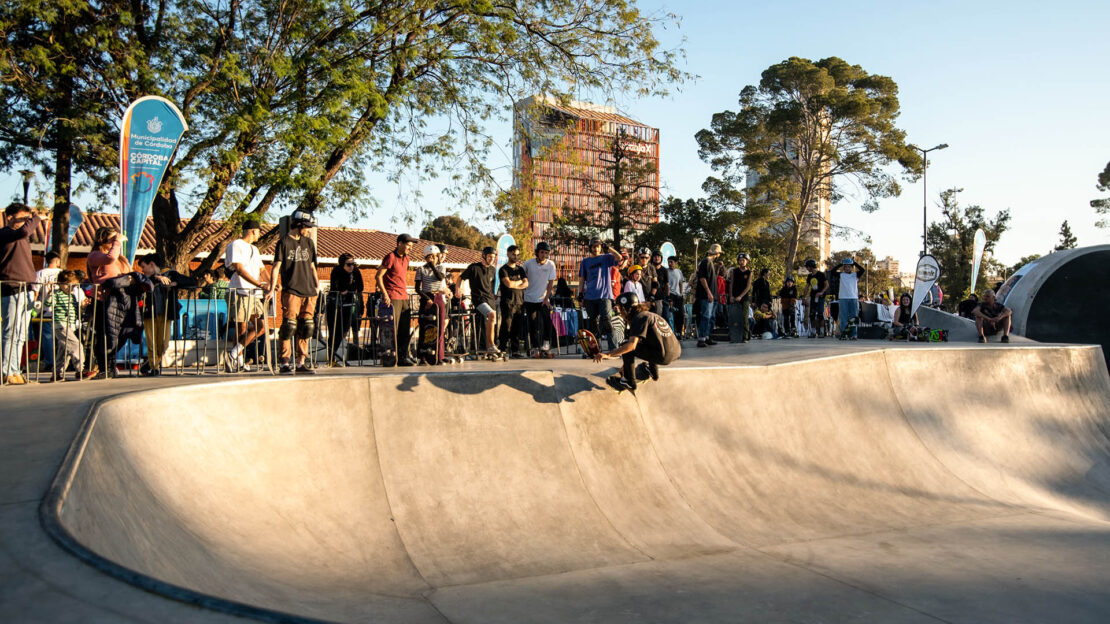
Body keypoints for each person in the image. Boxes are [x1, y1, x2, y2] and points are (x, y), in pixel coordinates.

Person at [591, 291, 681, 393]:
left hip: (663, 355)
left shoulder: (638, 318)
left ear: (626, 308)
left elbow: (631, 346)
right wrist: (626, 366)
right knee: (647, 340)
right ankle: (652, 371)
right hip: (675, 351)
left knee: (626, 345)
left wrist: (607, 355)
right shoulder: (649, 315)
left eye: (620, 309)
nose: (620, 313)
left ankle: (629, 381)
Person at [269, 210, 320, 374]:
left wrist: (317, 286)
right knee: (289, 326)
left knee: (306, 327)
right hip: (291, 289)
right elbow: (276, 266)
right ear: (299, 225)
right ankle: (284, 362)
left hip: (309, 290)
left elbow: (312, 266)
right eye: (307, 227)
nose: (309, 230)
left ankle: (300, 362)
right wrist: (272, 287)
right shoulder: (283, 242)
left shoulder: (309, 243)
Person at [1, 203, 41, 384]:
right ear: (9, 217)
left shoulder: (22, 238)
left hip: (27, 289)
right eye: (24, 219)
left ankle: (16, 369)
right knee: (10, 332)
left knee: (21, 334)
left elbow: (25, 232)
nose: (27, 223)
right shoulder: (5, 233)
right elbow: (24, 231)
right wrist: (36, 217)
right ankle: (6, 370)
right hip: (11, 288)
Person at [136, 254, 196, 375]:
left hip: (165, 313)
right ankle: (154, 367)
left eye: (144, 266)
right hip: (150, 313)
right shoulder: (145, 278)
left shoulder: (170, 274)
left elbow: (192, 281)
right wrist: (156, 278)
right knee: (151, 341)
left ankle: (150, 363)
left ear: (152, 264)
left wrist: (175, 283)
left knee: (164, 343)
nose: (142, 270)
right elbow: (140, 284)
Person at [224, 220, 270, 373]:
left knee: (261, 326)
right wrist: (259, 284)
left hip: (254, 293)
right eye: (259, 231)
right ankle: (238, 361)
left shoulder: (254, 249)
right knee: (241, 327)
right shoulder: (236, 244)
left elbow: (261, 268)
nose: (259, 234)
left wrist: (272, 282)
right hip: (240, 290)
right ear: (253, 231)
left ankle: (233, 353)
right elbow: (239, 268)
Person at [86, 225, 130, 379]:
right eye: (111, 239)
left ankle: (110, 364)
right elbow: (109, 258)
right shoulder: (95, 255)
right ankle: (106, 367)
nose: (114, 241)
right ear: (102, 240)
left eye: (115, 239)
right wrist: (117, 242)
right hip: (102, 299)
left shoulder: (119, 257)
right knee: (105, 334)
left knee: (125, 331)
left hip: (120, 299)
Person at [376, 233, 416, 366]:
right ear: (400, 243)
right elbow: (378, 276)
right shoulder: (390, 257)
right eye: (408, 245)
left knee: (405, 329)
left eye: (411, 246)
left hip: (404, 296)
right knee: (394, 329)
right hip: (393, 297)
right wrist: (385, 294)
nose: (410, 248)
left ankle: (403, 357)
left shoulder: (407, 258)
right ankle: (391, 358)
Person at [577, 238, 625, 351]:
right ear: (590, 248)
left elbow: (619, 258)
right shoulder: (585, 262)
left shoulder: (606, 258)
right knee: (592, 323)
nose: (596, 249)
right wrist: (580, 294)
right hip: (590, 296)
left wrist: (608, 248)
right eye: (593, 246)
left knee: (606, 321)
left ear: (600, 247)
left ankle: (614, 348)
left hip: (605, 295)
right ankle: (595, 349)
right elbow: (582, 278)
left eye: (598, 246)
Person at [460, 246, 500, 355]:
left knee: (491, 323)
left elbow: (492, 286)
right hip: (479, 299)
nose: (492, 259)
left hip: (490, 299)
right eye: (490, 257)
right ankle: (491, 345)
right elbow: (460, 278)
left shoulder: (493, 270)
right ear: (484, 256)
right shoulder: (474, 267)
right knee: (491, 315)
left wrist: (495, 294)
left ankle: (488, 346)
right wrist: (458, 290)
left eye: (493, 257)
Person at [327, 252, 364, 366]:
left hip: (348, 304)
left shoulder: (356, 272)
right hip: (335, 304)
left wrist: (350, 290)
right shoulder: (336, 271)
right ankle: (331, 358)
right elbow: (336, 288)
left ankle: (333, 355)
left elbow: (360, 287)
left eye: (353, 264)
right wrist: (345, 290)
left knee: (344, 329)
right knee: (334, 331)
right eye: (349, 264)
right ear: (342, 264)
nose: (352, 266)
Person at [47, 270, 84, 381]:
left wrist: (82, 305)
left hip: (70, 325)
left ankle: (57, 373)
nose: (70, 288)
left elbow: (75, 309)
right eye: (68, 285)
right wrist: (49, 293)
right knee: (76, 345)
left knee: (64, 350)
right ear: (60, 284)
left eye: (73, 286)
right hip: (60, 324)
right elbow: (47, 304)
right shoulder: (56, 294)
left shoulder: (72, 296)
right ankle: (80, 370)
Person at [414, 245, 449, 364]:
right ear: (426, 257)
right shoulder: (421, 269)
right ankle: (422, 356)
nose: (432, 258)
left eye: (434, 256)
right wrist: (427, 299)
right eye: (430, 257)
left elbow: (440, 278)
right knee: (425, 326)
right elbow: (417, 288)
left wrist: (433, 266)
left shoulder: (441, 267)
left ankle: (439, 356)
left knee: (439, 327)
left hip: (438, 296)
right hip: (426, 297)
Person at [522, 241, 557, 357]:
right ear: (537, 253)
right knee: (533, 324)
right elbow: (522, 277)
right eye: (542, 252)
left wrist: (547, 298)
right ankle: (535, 347)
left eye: (546, 253)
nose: (544, 255)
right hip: (529, 298)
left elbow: (551, 283)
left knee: (548, 321)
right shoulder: (528, 264)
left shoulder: (551, 264)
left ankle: (546, 344)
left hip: (543, 299)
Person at [497, 245, 528, 357]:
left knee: (516, 327)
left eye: (517, 254)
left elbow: (526, 283)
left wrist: (516, 285)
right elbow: (508, 284)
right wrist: (519, 282)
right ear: (508, 254)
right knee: (506, 326)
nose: (516, 256)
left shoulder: (520, 269)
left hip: (520, 302)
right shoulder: (503, 270)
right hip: (508, 302)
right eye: (513, 254)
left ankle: (515, 351)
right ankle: (502, 349)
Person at [695, 244, 721, 348]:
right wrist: (708, 292)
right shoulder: (705, 262)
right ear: (716, 253)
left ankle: (707, 336)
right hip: (707, 295)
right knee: (706, 316)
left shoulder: (710, 263)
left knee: (711, 317)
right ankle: (702, 338)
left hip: (713, 294)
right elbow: (702, 278)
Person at [835, 257, 865, 341]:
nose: (847, 268)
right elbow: (833, 271)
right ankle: (844, 333)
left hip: (853, 298)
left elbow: (863, 270)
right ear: (844, 268)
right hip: (843, 298)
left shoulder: (855, 275)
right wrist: (841, 263)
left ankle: (853, 334)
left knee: (853, 317)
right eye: (846, 267)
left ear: (851, 267)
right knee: (843, 317)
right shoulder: (841, 275)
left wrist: (854, 263)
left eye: (849, 266)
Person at [725, 252, 752, 344]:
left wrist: (741, 296)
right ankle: (733, 336)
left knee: (744, 317)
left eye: (743, 260)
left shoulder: (749, 272)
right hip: (734, 296)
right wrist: (731, 296)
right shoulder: (734, 271)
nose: (741, 262)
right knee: (733, 317)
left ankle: (745, 336)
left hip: (744, 298)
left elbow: (748, 286)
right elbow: (731, 284)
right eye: (740, 260)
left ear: (747, 261)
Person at [804, 258, 827, 338]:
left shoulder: (821, 274)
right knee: (812, 314)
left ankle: (821, 331)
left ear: (811, 266)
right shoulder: (809, 276)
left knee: (820, 314)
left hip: (820, 297)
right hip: (813, 297)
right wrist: (804, 296)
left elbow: (827, 285)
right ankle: (813, 332)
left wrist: (821, 292)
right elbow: (807, 286)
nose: (807, 269)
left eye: (807, 267)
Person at [665, 256, 685, 337]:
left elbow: (680, 283)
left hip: (678, 295)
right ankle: (672, 332)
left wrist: (681, 293)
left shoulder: (679, 271)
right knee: (671, 314)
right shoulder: (666, 271)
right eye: (668, 262)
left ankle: (679, 332)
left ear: (675, 263)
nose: (670, 264)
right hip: (670, 295)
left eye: (671, 262)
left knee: (680, 314)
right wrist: (668, 295)